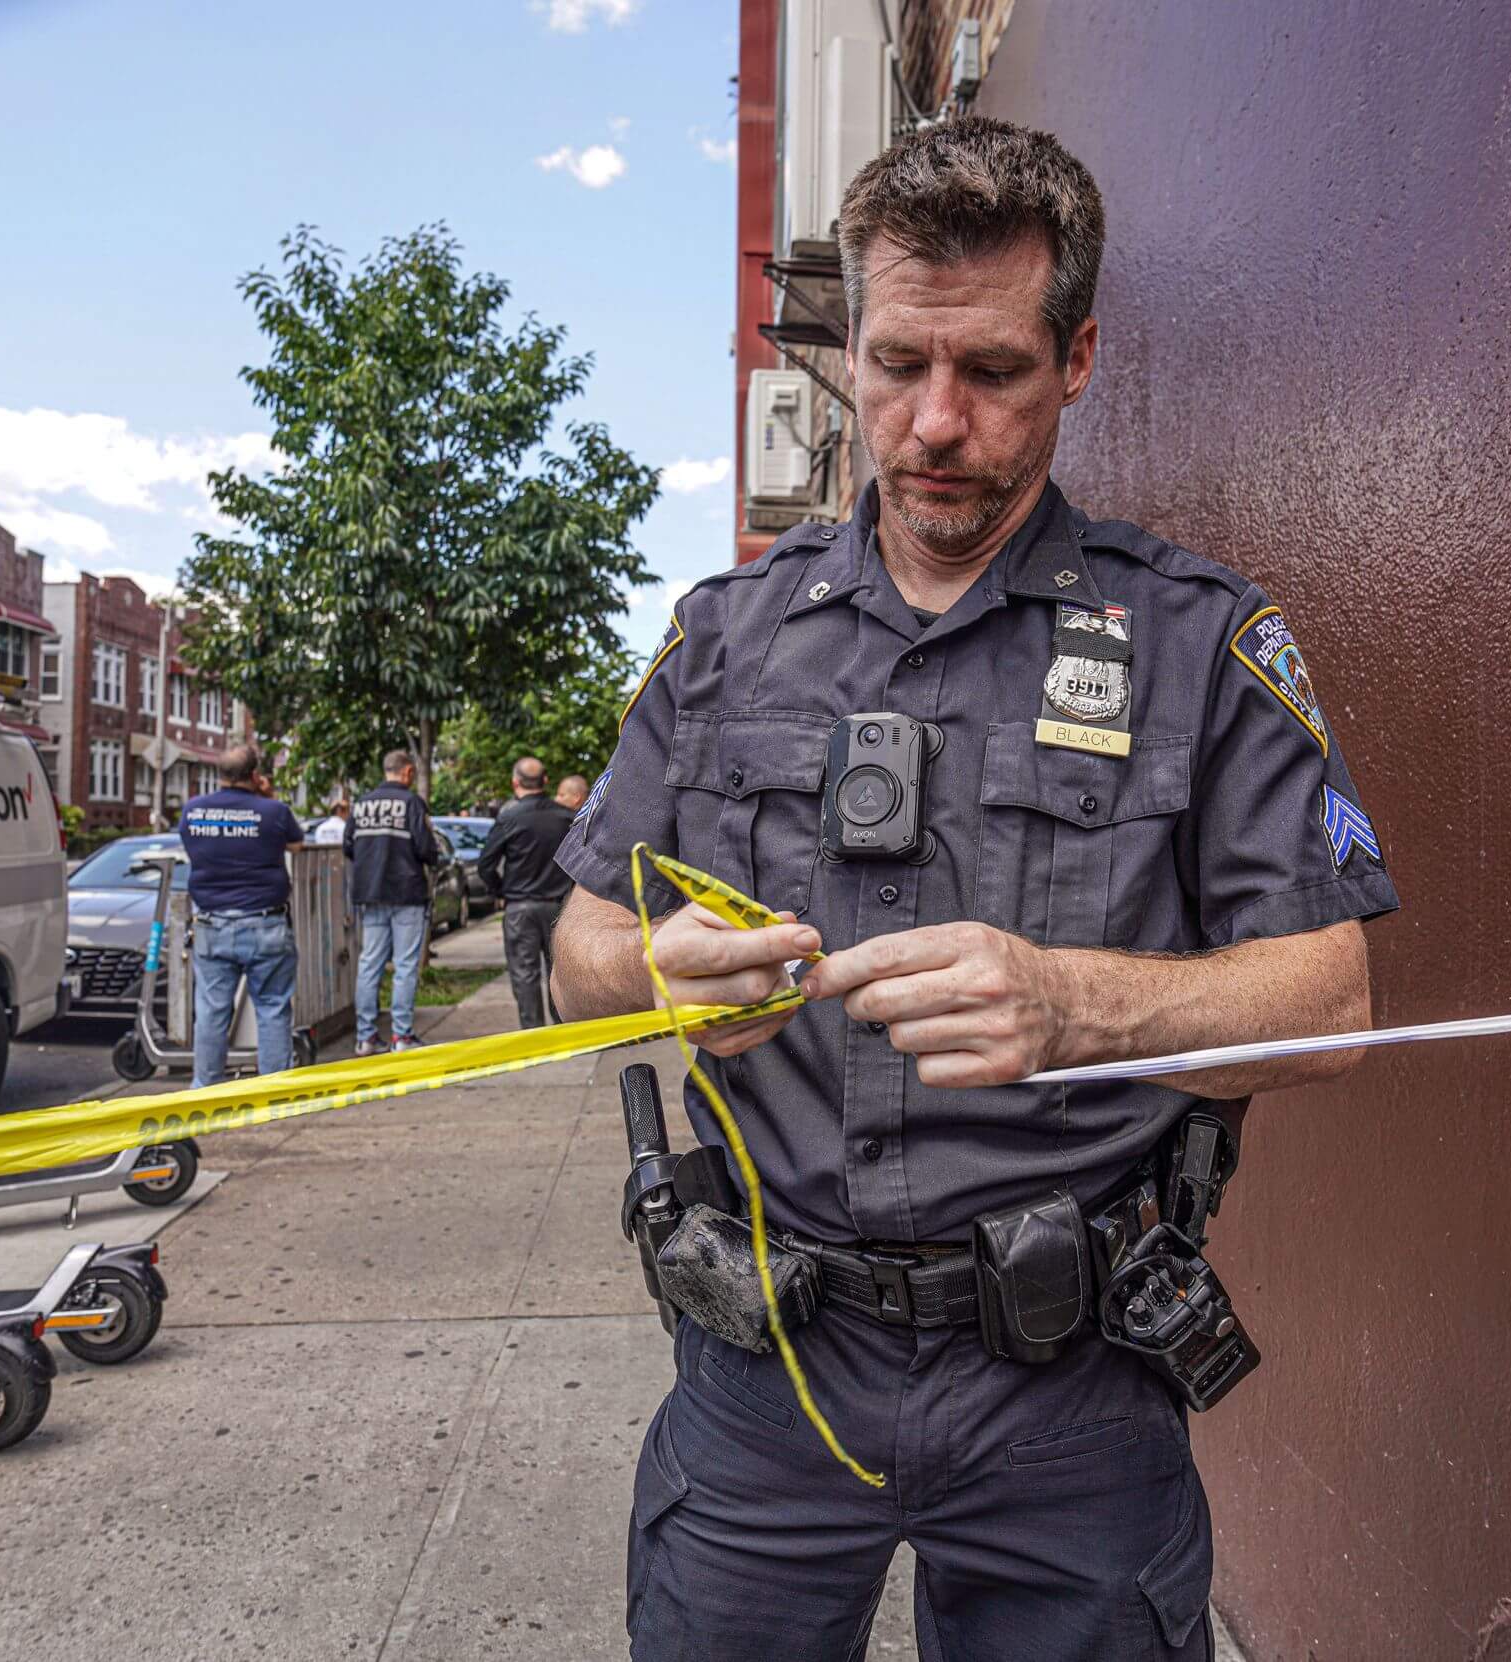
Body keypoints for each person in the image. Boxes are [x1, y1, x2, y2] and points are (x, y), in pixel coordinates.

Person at [550, 118, 1399, 1661]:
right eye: (897, 364)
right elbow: (577, 949)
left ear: (1077, 358)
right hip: (763, 1372)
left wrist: (1080, 1006)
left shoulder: (1200, 639)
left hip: (1070, 1389)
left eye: (994, 370)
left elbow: (1332, 999)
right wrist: (658, 969)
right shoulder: (722, 635)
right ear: (851, 355)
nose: (936, 421)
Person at [176, 742, 305, 1089]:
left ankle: (206, 1088)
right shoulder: (273, 811)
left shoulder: (193, 811)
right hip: (265, 923)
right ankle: (273, 1090)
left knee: (211, 1010)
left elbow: (192, 848)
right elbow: (296, 845)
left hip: (212, 923)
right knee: (273, 1008)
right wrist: (268, 796)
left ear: (220, 773)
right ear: (255, 774)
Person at [346, 749, 442, 1056]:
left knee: (369, 964)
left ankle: (366, 1037)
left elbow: (348, 845)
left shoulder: (361, 803)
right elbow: (426, 848)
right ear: (408, 772)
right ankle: (401, 1036)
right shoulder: (412, 803)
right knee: (405, 966)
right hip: (406, 892)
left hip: (370, 893)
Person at [477, 756, 576, 1027]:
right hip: (559, 907)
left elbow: (485, 864)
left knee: (524, 975)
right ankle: (563, 1033)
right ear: (545, 781)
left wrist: (500, 891)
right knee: (559, 974)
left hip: (520, 907)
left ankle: (533, 1034)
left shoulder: (508, 817)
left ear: (515, 783)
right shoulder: (566, 817)